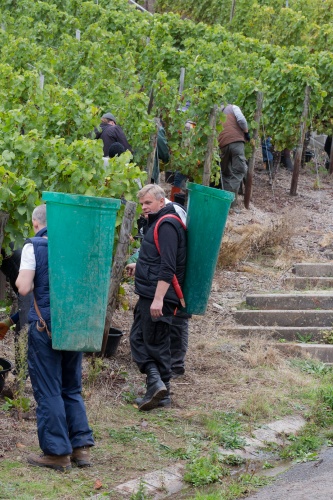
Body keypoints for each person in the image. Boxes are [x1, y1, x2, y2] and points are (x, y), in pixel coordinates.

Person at [15, 204, 94, 471]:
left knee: (48, 389)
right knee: (71, 388)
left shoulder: (33, 247)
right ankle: (81, 449)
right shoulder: (78, 244)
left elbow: (24, 288)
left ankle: (57, 453)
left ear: (37, 223)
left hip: (45, 327)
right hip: (76, 324)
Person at [127, 185, 187, 411]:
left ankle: (162, 393)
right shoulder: (158, 222)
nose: (144, 207)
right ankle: (156, 385)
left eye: (148, 203)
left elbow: (168, 266)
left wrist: (159, 299)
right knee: (139, 339)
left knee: (156, 342)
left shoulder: (167, 225)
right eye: (142, 203)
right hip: (150, 292)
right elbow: (155, 257)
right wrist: (139, 264)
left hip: (158, 294)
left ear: (162, 202)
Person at [218, 103, 250, 203]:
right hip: (236, 141)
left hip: (222, 143)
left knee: (225, 172)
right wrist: (246, 132)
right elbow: (241, 120)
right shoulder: (233, 107)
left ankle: (226, 201)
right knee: (240, 170)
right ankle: (227, 198)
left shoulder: (217, 113)